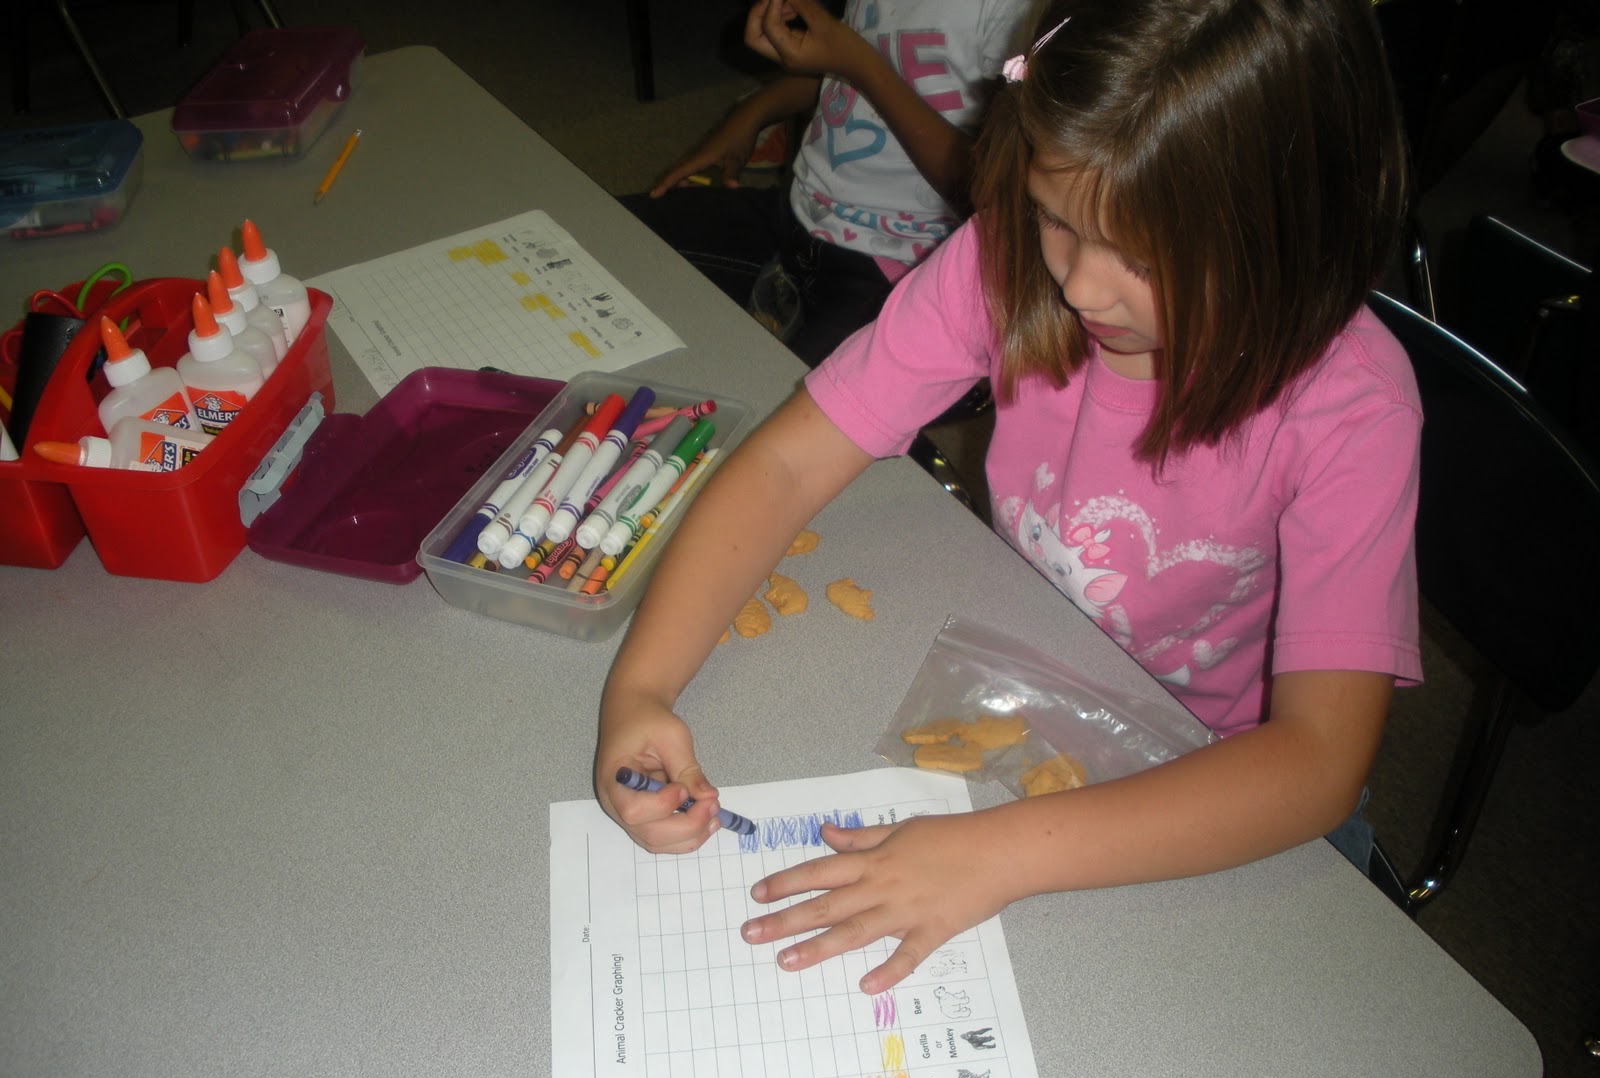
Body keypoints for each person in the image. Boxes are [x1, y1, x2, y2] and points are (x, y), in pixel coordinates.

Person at [595, 0, 1421, 996]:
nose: (1079, 287)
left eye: (1142, 259)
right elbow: (785, 466)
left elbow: (1318, 764)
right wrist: (640, 691)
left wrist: (993, 854)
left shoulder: (1351, 409)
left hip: (1217, 764)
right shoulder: (1006, 257)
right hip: (1031, 671)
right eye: (1055, 217)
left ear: (1295, 235)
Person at [620, 0, 1032, 366]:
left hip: (900, 267)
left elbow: (990, 191)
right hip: (797, 214)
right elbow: (847, 66)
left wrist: (859, 64)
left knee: (778, 412)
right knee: (606, 235)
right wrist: (754, 113)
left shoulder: (1017, 11)